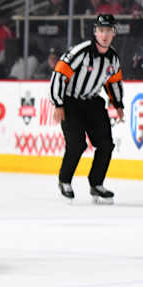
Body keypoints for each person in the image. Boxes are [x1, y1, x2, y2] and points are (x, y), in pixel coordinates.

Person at [50, 14, 124, 204]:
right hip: (70, 103)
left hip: (92, 103)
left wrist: (118, 104)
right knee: (77, 144)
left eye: (108, 31)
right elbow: (59, 74)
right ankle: (65, 180)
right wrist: (58, 103)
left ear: (114, 33)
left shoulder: (113, 58)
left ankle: (96, 184)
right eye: (101, 31)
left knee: (106, 144)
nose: (104, 35)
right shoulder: (80, 52)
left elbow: (113, 82)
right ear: (95, 32)